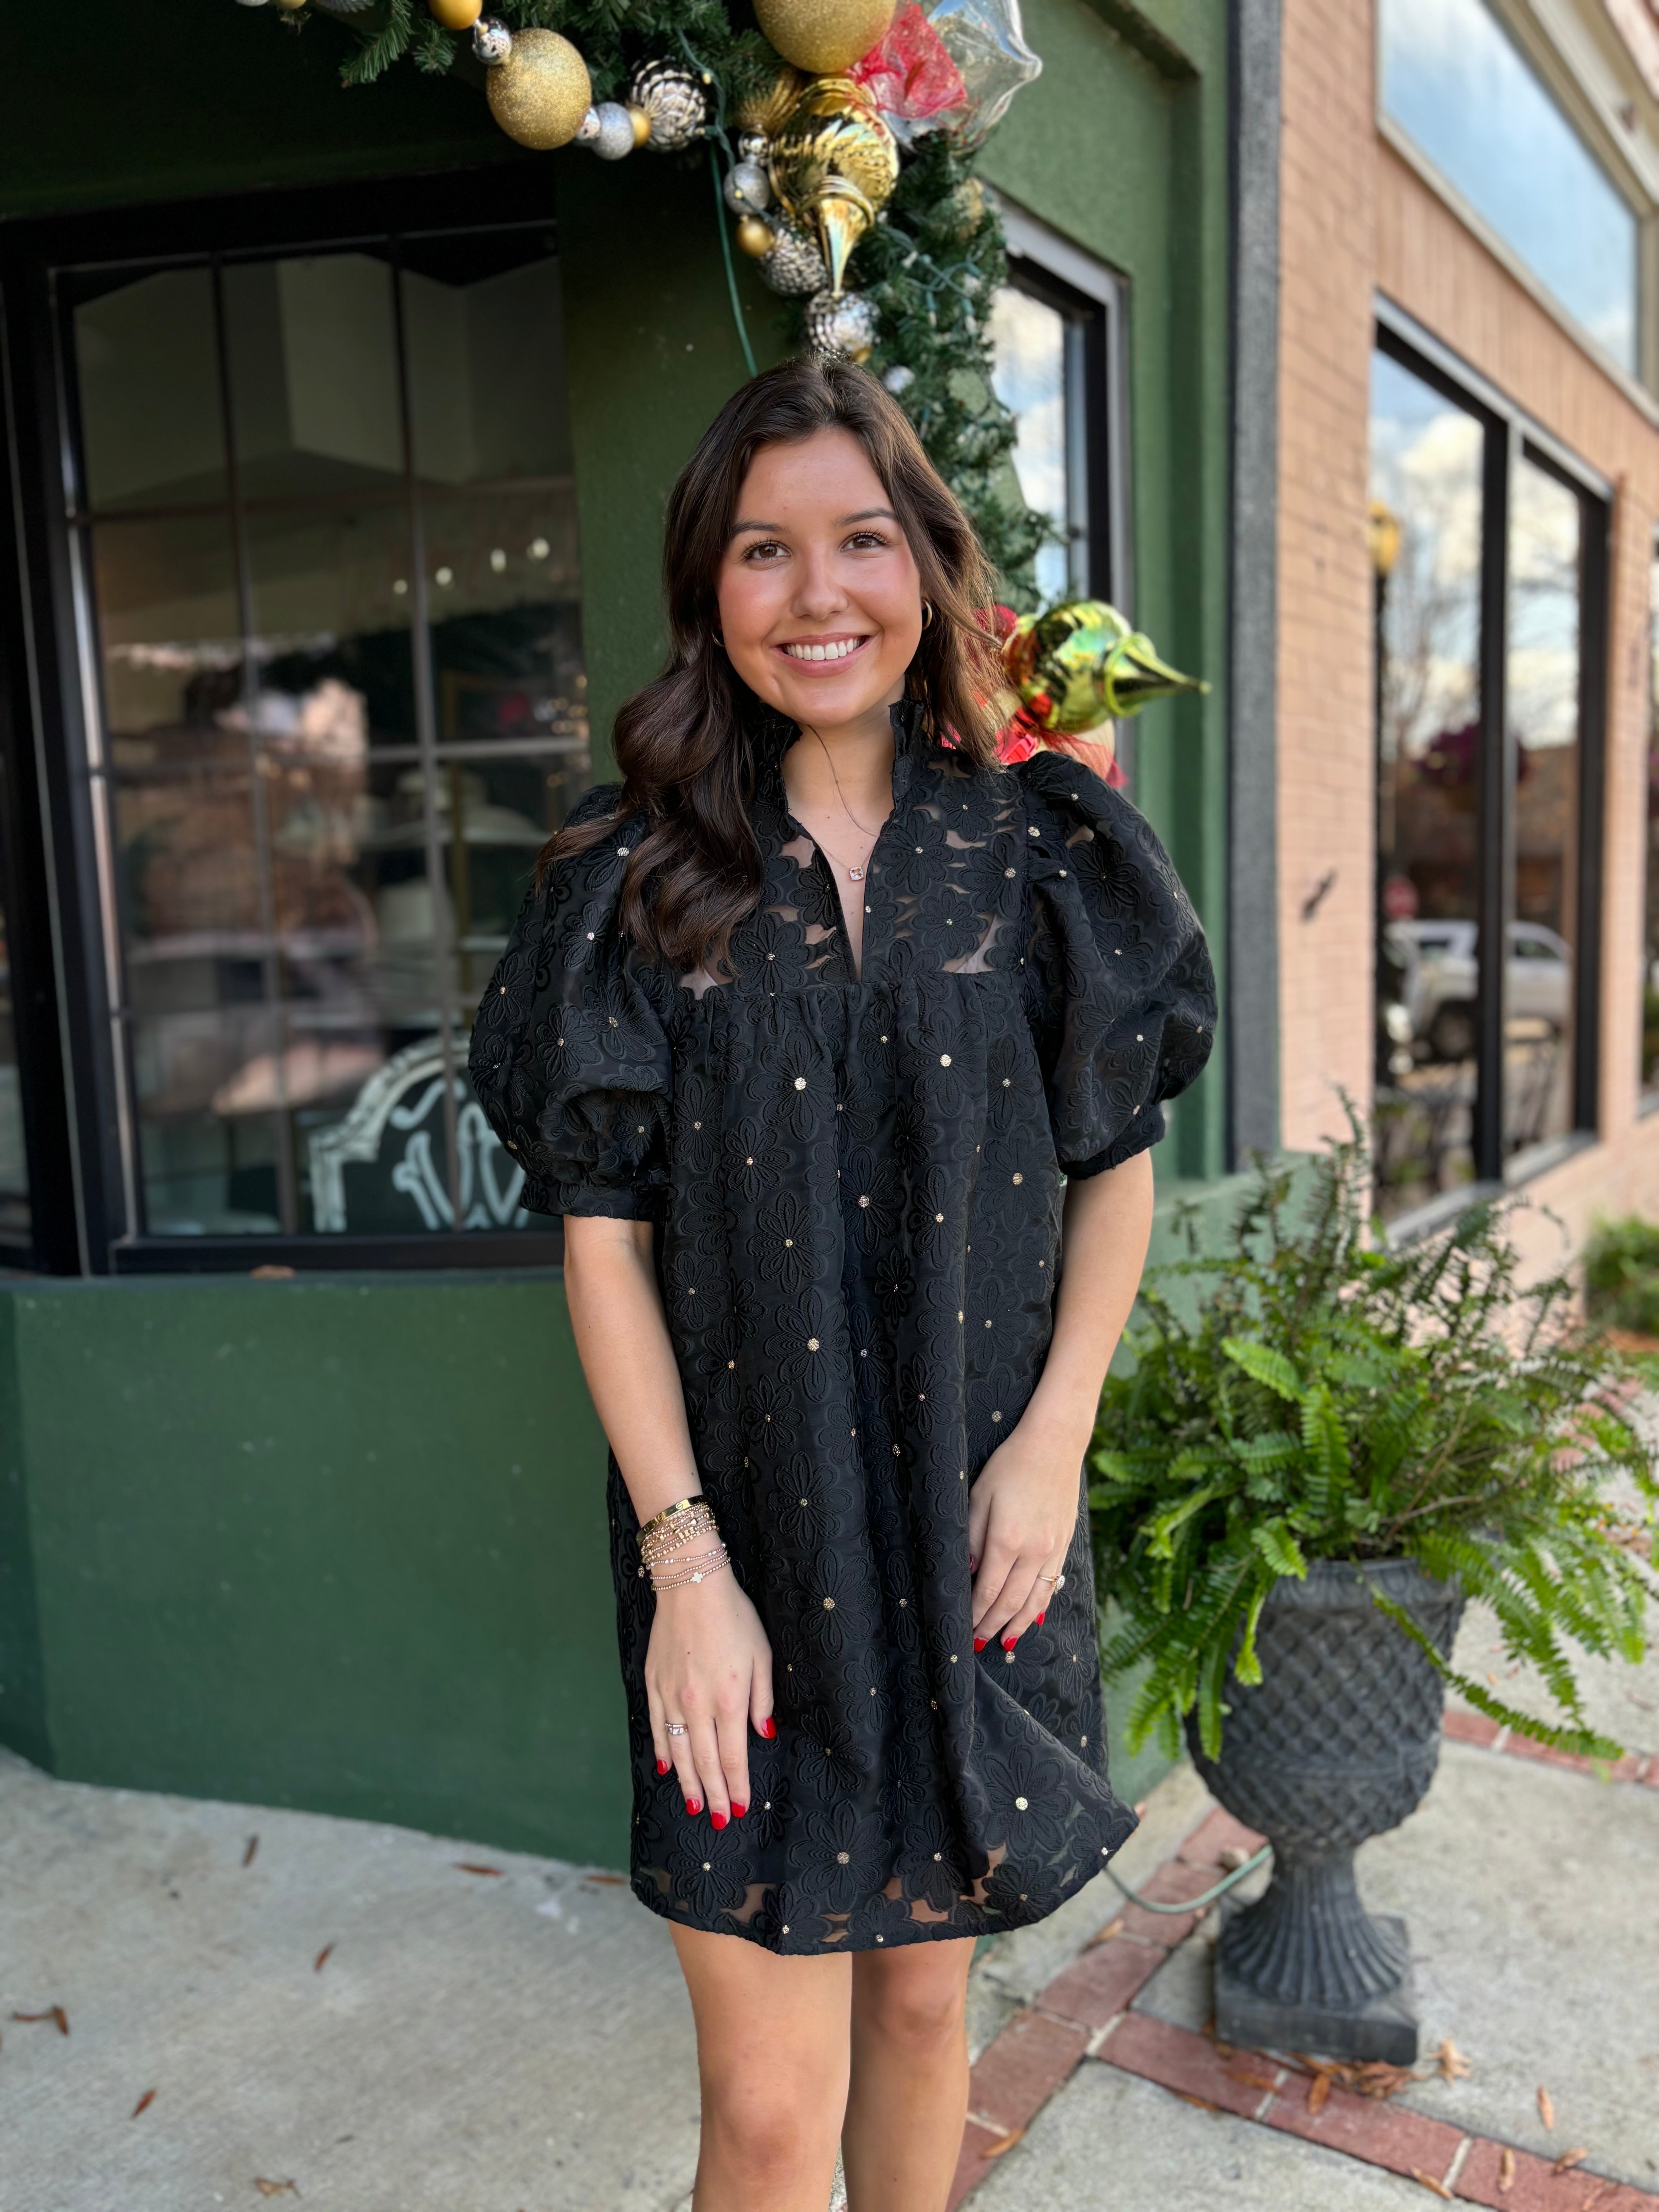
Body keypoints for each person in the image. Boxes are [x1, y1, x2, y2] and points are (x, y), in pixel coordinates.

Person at [471, 358, 1215, 2212]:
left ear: (929, 564)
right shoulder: (632, 876)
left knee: (916, 2027)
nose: (820, 598)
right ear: (707, 590)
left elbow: (1113, 1183)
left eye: (863, 541)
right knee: (770, 2113)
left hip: (982, 1537)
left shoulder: (1045, 854)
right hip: (736, 1556)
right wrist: (684, 1566)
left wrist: (1053, 1448)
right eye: (765, 552)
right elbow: (602, 1243)